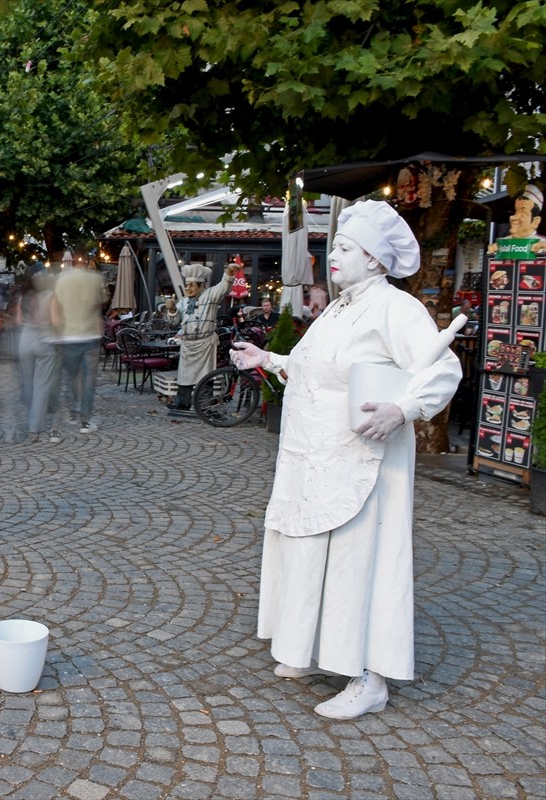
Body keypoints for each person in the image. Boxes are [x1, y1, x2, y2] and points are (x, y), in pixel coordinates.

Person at [231, 200, 462, 720]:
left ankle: (369, 676)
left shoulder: (396, 309)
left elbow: (442, 368)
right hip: (312, 455)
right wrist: (269, 359)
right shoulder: (340, 306)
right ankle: (312, 647)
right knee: (312, 551)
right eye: (334, 246)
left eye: (344, 248)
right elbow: (320, 368)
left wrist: (404, 409)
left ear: (376, 260)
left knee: (360, 562)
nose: (331, 255)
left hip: (363, 459)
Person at [168, 263, 234, 411]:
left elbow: (224, 287)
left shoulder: (210, 296)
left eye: (192, 285)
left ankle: (204, 405)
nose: (188, 289)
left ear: (201, 286)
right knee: (184, 375)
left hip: (205, 343)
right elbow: (174, 322)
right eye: (186, 286)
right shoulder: (183, 302)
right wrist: (172, 311)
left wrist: (229, 272)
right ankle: (182, 402)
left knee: (206, 376)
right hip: (188, 344)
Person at [50, 256, 105, 434]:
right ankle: (85, 421)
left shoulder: (61, 280)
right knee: (88, 380)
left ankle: (72, 411)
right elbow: (101, 302)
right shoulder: (96, 278)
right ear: (87, 262)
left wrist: (57, 328)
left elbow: (55, 307)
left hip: (69, 335)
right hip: (90, 334)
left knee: (72, 377)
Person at [17, 266, 60, 442]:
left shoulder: (24, 295)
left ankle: (28, 420)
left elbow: (19, 321)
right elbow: (56, 321)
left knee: (28, 385)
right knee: (41, 386)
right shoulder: (50, 295)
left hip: (25, 340)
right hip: (44, 340)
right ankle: (34, 429)